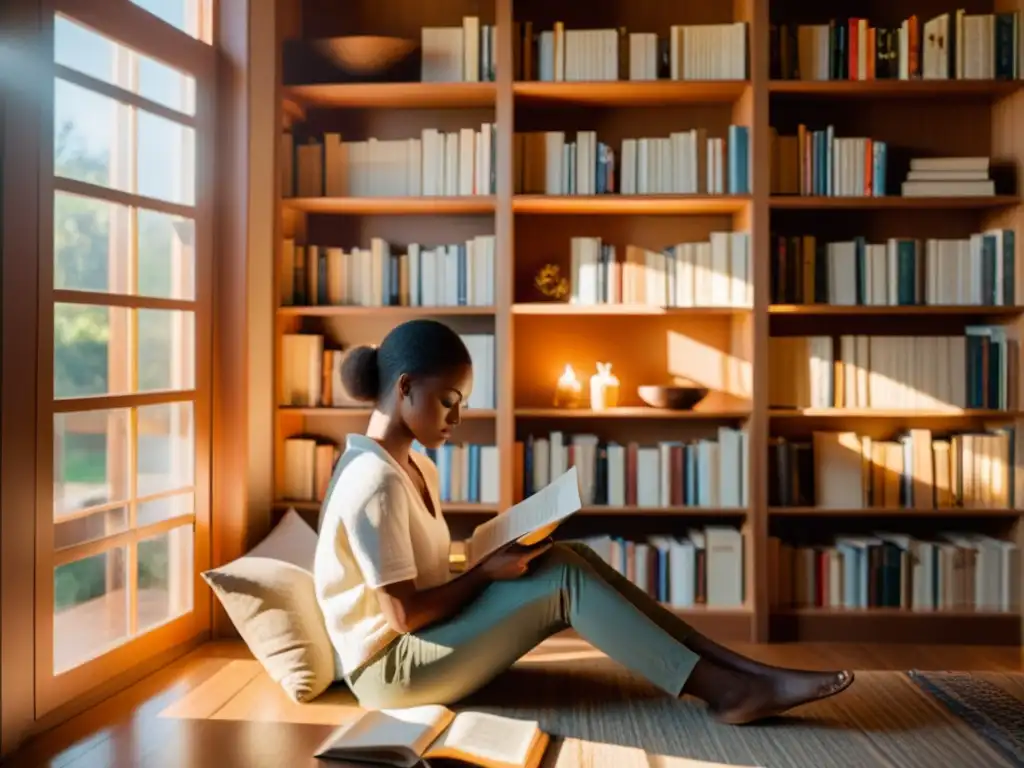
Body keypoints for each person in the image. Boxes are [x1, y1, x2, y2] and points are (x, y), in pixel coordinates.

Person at [314, 319, 854, 725]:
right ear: (404, 387)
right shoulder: (373, 482)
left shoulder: (414, 466)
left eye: (463, 404)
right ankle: (731, 691)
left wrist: (486, 556)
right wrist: (483, 574)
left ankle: (744, 672)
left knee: (572, 558)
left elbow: (422, 576)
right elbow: (405, 614)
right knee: (564, 581)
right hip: (393, 671)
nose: (456, 419)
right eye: (448, 402)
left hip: (424, 641)